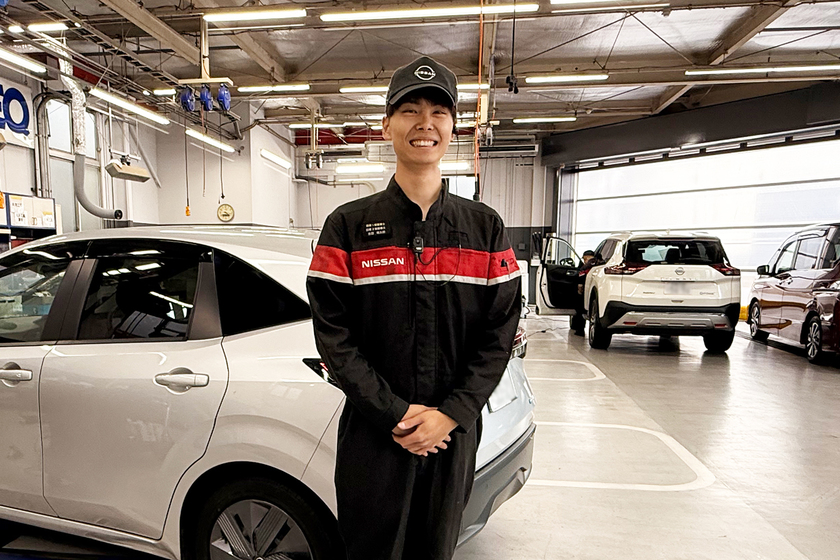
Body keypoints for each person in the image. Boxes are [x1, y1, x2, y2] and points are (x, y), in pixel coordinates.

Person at [306, 56, 522, 560]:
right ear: (386, 126)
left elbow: (500, 334)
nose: (425, 123)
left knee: (436, 550)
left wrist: (452, 415)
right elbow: (334, 338)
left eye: (438, 112)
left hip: (452, 437)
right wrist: (396, 413)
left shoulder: (485, 228)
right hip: (375, 434)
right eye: (409, 111)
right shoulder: (347, 227)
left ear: (453, 127)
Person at [572, 250, 596, 335]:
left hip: (589, 290)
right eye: (585, 259)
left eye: (588, 259)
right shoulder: (586, 267)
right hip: (587, 290)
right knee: (580, 309)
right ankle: (578, 327)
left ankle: (579, 329)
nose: (586, 261)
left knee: (581, 309)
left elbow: (580, 278)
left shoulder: (587, 268)